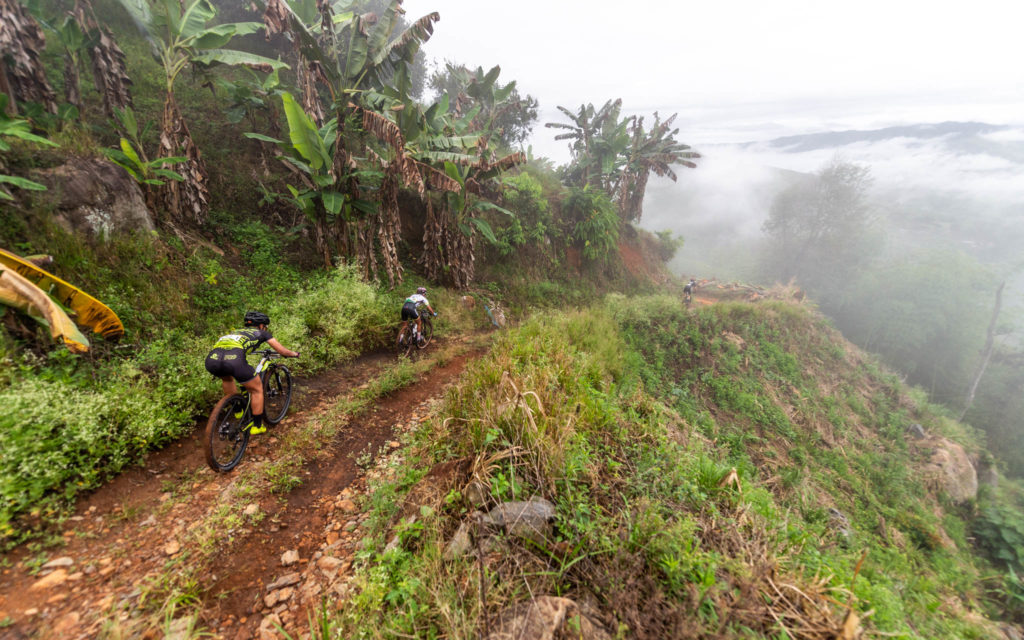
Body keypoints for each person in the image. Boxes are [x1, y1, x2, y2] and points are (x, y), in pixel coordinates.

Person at [204, 311, 298, 434]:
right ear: (261, 325)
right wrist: (294, 354)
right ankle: (257, 426)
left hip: (212, 360)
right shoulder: (262, 333)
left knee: (227, 378)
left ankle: (238, 410)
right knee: (257, 389)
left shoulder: (235, 332)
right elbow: (282, 351)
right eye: (265, 326)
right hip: (234, 360)